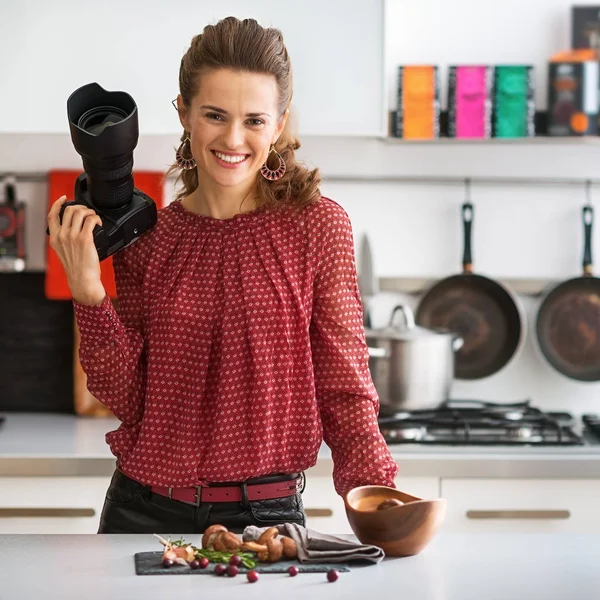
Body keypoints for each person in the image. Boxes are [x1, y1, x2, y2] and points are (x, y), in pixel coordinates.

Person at [47, 16, 398, 534]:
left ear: (278, 126)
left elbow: (346, 384)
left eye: (254, 120)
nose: (234, 138)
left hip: (268, 519)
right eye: (215, 115)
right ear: (185, 114)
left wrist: (378, 496)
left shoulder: (318, 227)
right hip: (142, 510)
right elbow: (130, 399)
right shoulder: (148, 239)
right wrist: (87, 292)